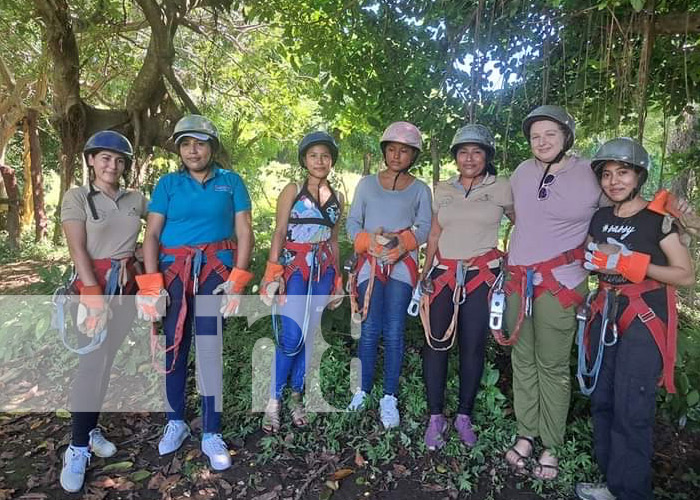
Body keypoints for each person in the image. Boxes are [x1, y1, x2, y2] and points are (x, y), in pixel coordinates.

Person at [574, 138, 693, 500]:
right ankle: (612, 483)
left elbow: (685, 275)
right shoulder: (601, 217)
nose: (614, 181)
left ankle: (631, 492)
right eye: (608, 175)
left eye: (623, 173)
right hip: (606, 310)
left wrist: (632, 264)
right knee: (604, 398)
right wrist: (595, 262)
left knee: (632, 405)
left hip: (643, 317)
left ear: (639, 176)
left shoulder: (657, 221)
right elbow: (595, 257)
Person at [136, 115, 254, 471]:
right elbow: (152, 235)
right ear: (179, 149)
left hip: (214, 276)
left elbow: (245, 232)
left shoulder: (231, 182)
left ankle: (211, 431)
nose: (193, 150)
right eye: (186, 144)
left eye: (200, 143)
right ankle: (175, 421)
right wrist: (152, 284)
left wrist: (237, 281)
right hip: (173, 275)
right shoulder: (168, 184)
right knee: (174, 346)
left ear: (212, 148)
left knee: (208, 347)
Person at [502, 105, 604, 480]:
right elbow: (517, 214)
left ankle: (551, 443)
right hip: (518, 280)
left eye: (550, 135)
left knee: (553, 365)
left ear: (565, 137)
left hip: (561, 283)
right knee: (522, 359)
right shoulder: (522, 172)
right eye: (535, 136)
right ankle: (526, 432)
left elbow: (614, 216)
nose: (541, 142)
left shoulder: (590, 174)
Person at [59, 131, 147, 492]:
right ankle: (77, 448)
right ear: (91, 161)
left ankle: (91, 428)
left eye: (120, 160)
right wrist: (93, 294)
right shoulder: (78, 197)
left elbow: (157, 231)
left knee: (106, 360)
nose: (113, 165)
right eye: (105, 158)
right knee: (91, 363)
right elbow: (77, 249)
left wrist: (140, 255)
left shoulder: (135, 199)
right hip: (91, 289)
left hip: (125, 289)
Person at [419, 124, 513, 450]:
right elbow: (433, 234)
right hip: (443, 273)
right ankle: (434, 417)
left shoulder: (501, 187)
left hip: (481, 277)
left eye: (476, 152)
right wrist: (425, 271)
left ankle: (463, 416)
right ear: (455, 158)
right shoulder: (443, 189)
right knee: (436, 344)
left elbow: (523, 224)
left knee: (472, 346)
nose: (469, 158)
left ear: (487, 156)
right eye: (463, 152)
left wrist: (510, 258)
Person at [346, 121, 432, 428]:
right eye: (392, 149)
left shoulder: (420, 189)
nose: (397, 156)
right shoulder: (367, 185)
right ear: (385, 151)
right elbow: (353, 223)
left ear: (413, 155)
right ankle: (363, 390)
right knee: (369, 328)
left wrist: (401, 244)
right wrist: (369, 242)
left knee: (394, 330)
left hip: (402, 266)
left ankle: (389, 397)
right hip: (370, 263)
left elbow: (425, 227)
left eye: (404, 151)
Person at [259, 131, 345, 433]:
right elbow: (280, 232)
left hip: (323, 272)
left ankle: (296, 396)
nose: (320, 161)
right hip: (295, 269)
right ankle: (273, 401)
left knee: (311, 334)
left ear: (331, 160)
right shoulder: (293, 190)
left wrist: (338, 280)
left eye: (325, 155)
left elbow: (334, 241)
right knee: (292, 335)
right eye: (313, 155)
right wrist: (273, 273)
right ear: (304, 160)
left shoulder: (338, 198)